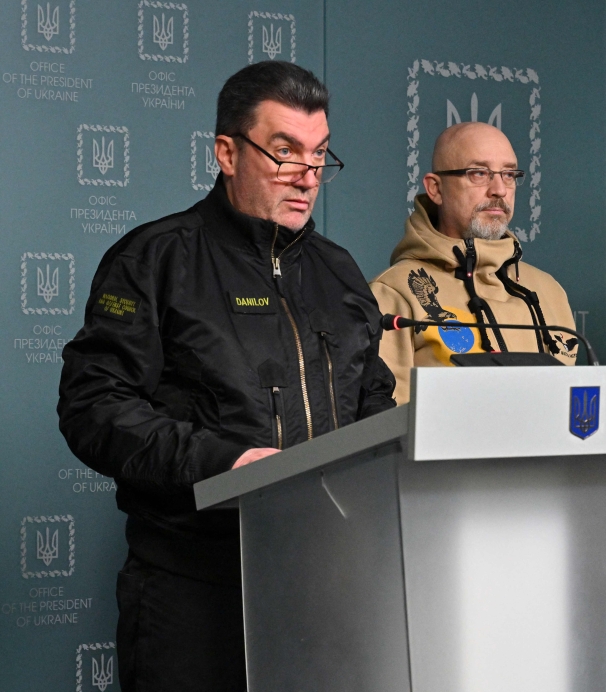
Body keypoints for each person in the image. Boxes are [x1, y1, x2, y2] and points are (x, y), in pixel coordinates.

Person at [57, 62, 395, 692]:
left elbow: (372, 397)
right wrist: (226, 463)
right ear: (227, 153)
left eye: (320, 155)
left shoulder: (341, 272)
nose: (307, 176)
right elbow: (94, 406)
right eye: (285, 151)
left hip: (327, 582)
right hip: (192, 589)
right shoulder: (155, 259)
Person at [370, 122, 577, 403]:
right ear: (435, 189)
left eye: (509, 174)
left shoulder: (548, 291)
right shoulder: (393, 292)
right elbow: (388, 427)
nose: (499, 190)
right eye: (479, 173)